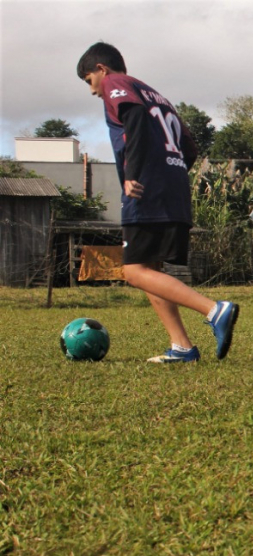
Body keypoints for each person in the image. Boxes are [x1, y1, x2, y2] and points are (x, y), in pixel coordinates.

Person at [76, 42, 239, 363]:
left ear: (101, 70)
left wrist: (132, 173)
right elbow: (189, 148)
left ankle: (214, 310)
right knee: (150, 266)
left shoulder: (116, 83)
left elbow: (134, 119)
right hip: (171, 186)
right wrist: (170, 173)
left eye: (88, 80)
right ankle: (182, 347)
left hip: (144, 187)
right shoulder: (155, 94)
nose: (93, 90)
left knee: (134, 271)